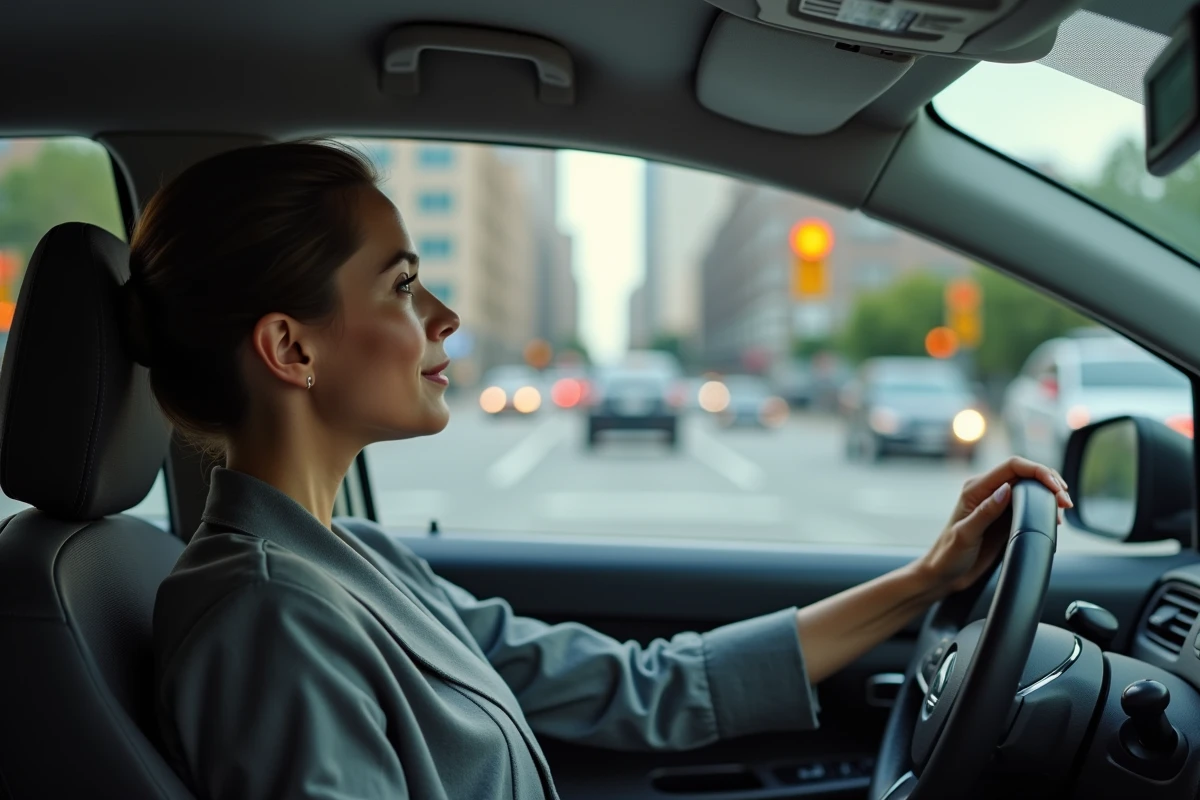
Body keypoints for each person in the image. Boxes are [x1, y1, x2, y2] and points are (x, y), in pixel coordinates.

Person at [129, 141, 1073, 800]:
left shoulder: (356, 559)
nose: (446, 317)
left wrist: (926, 582)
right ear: (291, 348)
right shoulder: (264, 618)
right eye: (404, 285)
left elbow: (641, 686)